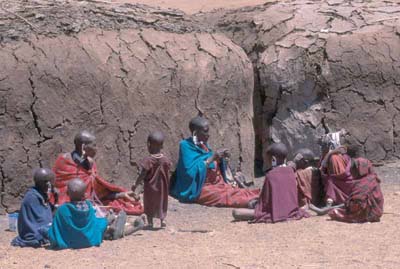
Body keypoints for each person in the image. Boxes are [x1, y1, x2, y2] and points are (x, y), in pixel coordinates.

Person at [170, 116, 260, 207]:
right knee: (223, 195)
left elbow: (209, 162)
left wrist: (221, 158)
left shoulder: (203, 145)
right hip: (199, 188)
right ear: (195, 133)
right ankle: (249, 202)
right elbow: (189, 172)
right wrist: (213, 158)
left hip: (217, 184)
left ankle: (260, 195)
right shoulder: (185, 146)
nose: (208, 134)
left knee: (233, 190)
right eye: (205, 131)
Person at [52, 130, 143, 215]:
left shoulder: (90, 163)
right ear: (83, 146)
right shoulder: (63, 161)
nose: (96, 149)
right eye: (94, 145)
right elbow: (58, 190)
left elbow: (97, 193)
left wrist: (122, 194)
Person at [48, 178, 145, 249]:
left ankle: (110, 223)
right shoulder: (88, 206)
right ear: (84, 195)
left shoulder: (63, 209)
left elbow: (56, 228)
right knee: (100, 222)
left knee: (100, 223)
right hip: (89, 239)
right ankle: (109, 221)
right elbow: (91, 223)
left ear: (68, 194)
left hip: (69, 242)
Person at [232, 143, 309, 223]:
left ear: (273, 159)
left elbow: (265, 202)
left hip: (274, 212)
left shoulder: (271, 175)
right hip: (291, 210)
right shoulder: (291, 172)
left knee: (236, 212)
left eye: (267, 159)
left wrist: (256, 204)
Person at [131, 131, 172, 228]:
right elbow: (168, 171)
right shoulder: (166, 160)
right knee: (162, 202)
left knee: (149, 203)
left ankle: (150, 222)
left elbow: (143, 174)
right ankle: (162, 220)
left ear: (149, 145)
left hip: (150, 187)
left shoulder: (148, 160)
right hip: (162, 187)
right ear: (162, 146)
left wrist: (135, 184)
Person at [328, 157, 384, 223]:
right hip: (377, 212)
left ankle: (359, 218)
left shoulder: (363, 183)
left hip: (366, 214)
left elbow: (357, 202)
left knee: (334, 212)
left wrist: (348, 206)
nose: (352, 171)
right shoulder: (374, 178)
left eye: (354, 168)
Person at [11, 168, 55, 248]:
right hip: (33, 234)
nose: (53, 185)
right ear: (48, 184)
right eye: (52, 182)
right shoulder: (32, 197)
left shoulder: (40, 194)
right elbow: (43, 220)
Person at [319, 132, 354, 206]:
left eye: (325, 145)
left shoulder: (334, 158)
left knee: (331, 182)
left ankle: (332, 202)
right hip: (348, 181)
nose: (323, 147)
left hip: (340, 182)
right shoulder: (343, 156)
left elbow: (338, 175)